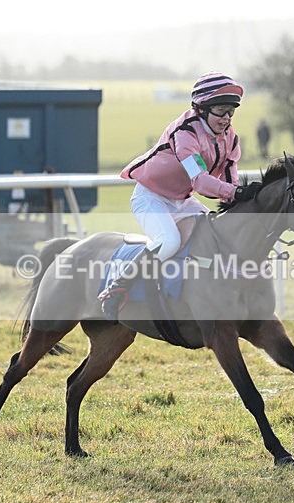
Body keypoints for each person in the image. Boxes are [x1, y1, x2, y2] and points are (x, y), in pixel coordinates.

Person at [98, 72, 261, 323]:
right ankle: (116, 289)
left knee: (217, 235)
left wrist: (243, 200)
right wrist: (236, 193)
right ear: (202, 109)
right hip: (150, 197)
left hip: (182, 200)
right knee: (169, 241)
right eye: (221, 110)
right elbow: (200, 181)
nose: (227, 118)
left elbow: (230, 181)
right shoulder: (184, 133)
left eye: (231, 112)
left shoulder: (231, 138)